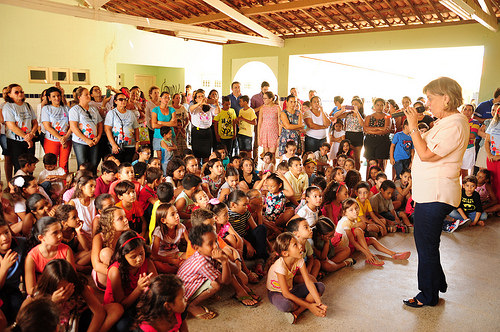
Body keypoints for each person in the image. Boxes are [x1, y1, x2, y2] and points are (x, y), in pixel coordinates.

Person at [403, 77, 469, 308]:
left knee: (425, 245)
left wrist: (413, 127)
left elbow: (426, 154)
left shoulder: (455, 124)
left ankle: (428, 295)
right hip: (429, 192)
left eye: (431, 98)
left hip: (436, 194)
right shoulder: (445, 122)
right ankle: (437, 281)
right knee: (428, 243)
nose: (428, 104)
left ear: (446, 98)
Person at [266, 232, 327, 324]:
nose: (300, 246)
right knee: (285, 305)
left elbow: (308, 282)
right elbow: (286, 294)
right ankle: (306, 304)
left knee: (320, 287)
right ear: (285, 253)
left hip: (291, 288)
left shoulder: (299, 259)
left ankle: (297, 312)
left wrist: (319, 304)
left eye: (298, 243)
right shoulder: (280, 266)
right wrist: (310, 306)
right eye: (295, 245)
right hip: (276, 293)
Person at [104, 231, 157, 331]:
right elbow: (121, 305)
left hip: (139, 301)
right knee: (123, 326)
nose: (139, 259)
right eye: (133, 256)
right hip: (118, 308)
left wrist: (151, 288)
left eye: (141, 253)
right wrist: (139, 289)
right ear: (123, 256)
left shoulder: (147, 262)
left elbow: (157, 286)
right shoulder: (115, 271)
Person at [176, 224, 230, 319]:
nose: (216, 246)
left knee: (217, 276)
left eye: (216, 241)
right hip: (185, 291)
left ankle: (204, 294)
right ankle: (192, 305)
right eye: (210, 243)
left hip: (187, 283)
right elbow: (224, 281)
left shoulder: (205, 253)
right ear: (197, 248)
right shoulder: (202, 263)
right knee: (216, 285)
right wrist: (225, 261)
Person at [2, 84, 38, 173]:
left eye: (21, 91)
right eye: (16, 92)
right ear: (9, 94)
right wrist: (26, 137)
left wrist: (31, 134)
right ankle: (19, 185)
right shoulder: (8, 107)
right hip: (15, 142)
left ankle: (29, 184)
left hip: (29, 140)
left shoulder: (27, 105)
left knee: (30, 166)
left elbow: (35, 122)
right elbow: (11, 126)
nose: (20, 94)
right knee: (19, 168)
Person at [69, 87, 103, 174]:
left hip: (94, 141)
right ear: (79, 97)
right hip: (80, 142)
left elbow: (100, 124)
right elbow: (73, 127)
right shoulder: (75, 109)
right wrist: (86, 139)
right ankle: (81, 184)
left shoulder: (93, 109)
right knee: (82, 164)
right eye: (86, 94)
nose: (89, 96)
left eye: (89, 94)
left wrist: (98, 137)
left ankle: (93, 183)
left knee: (94, 163)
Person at [41, 86, 72, 172]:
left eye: (58, 95)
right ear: (49, 98)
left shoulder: (66, 108)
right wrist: (60, 138)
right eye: (54, 96)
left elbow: (72, 125)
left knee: (64, 164)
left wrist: (65, 138)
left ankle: (64, 184)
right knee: (51, 164)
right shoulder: (46, 109)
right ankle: (50, 184)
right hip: (51, 140)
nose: (57, 98)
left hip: (66, 140)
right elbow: (47, 126)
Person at [104, 92, 140, 163]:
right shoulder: (111, 113)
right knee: (118, 165)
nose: (123, 101)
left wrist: (137, 142)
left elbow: (136, 128)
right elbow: (107, 129)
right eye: (120, 99)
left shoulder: (131, 113)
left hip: (130, 145)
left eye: (125, 99)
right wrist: (113, 144)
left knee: (128, 164)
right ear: (115, 101)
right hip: (117, 145)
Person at [335, 97, 365, 170]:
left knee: (357, 157)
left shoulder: (363, 115)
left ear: (360, 105)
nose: (354, 105)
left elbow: (362, 124)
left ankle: (357, 173)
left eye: (356, 104)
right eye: (352, 104)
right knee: (348, 156)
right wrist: (342, 110)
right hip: (349, 136)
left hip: (358, 136)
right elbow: (336, 116)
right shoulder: (348, 114)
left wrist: (357, 112)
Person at [189, 89, 218, 160]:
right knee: (197, 156)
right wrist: (199, 103)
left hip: (207, 132)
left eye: (202, 96)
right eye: (199, 96)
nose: (201, 98)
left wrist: (217, 104)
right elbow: (191, 109)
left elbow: (216, 112)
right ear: (195, 99)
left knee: (207, 155)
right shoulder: (195, 108)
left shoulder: (208, 107)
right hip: (197, 132)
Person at [363, 98, 391, 170]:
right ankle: (368, 180)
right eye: (378, 105)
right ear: (374, 106)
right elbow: (365, 129)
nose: (379, 107)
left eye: (381, 105)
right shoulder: (369, 116)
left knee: (380, 162)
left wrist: (371, 130)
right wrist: (379, 128)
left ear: (384, 106)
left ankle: (381, 179)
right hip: (370, 140)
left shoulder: (387, 116)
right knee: (370, 161)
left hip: (382, 141)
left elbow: (386, 130)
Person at [151, 92, 177, 159]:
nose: (167, 99)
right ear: (160, 98)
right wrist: (169, 123)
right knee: (160, 157)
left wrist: (160, 123)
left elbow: (174, 123)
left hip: (170, 135)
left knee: (171, 156)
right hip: (158, 136)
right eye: (165, 97)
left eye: (169, 98)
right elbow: (154, 125)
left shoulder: (172, 110)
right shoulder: (155, 110)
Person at [484, 102, 500, 202]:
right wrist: (489, 154)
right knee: (493, 181)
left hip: (498, 158)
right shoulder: (493, 123)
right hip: (491, 158)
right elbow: (487, 141)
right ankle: (494, 203)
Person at [257, 91, 280, 157]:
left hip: (274, 133)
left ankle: (273, 167)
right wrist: (258, 137)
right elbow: (260, 123)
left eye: (265, 98)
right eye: (263, 98)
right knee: (266, 156)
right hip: (264, 133)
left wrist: (279, 135)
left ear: (271, 99)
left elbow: (280, 123)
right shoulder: (262, 108)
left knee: (272, 155)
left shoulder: (277, 108)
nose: (263, 100)